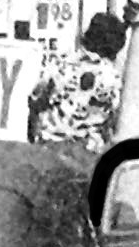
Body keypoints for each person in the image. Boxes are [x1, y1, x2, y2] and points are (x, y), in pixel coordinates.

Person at [29, 12, 126, 151]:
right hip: (88, 153)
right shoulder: (114, 79)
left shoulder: (61, 65)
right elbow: (116, 119)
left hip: (49, 148)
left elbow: (36, 99)